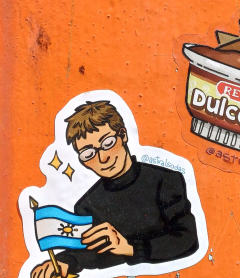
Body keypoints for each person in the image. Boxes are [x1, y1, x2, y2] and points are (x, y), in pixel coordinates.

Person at [31, 101, 199, 278]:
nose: (103, 158)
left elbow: (187, 238)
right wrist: (66, 262)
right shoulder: (87, 204)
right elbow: (90, 253)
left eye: (108, 143)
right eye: (88, 154)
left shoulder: (165, 180)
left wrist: (130, 248)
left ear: (123, 135)